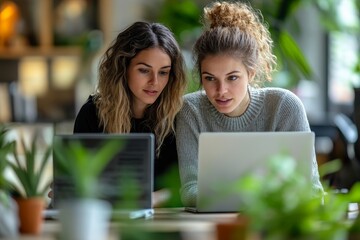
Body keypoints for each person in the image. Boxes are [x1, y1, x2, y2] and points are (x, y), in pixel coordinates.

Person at [175, 1, 324, 207]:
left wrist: (235, 196)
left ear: (251, 73)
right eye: (210, 78)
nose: (221, 91)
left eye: (232, 78)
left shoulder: (284, 106)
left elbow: (312, 190)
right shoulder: (191, 111)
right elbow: (190, 190)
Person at [50, 21, 187, 207]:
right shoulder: (93, 113)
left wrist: (150, 199)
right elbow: (82, 182)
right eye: (144, 70)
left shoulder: (177, 117)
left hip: (164, 219)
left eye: (163, 72)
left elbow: (186, 185)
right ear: (123, 67)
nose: (155, 82)